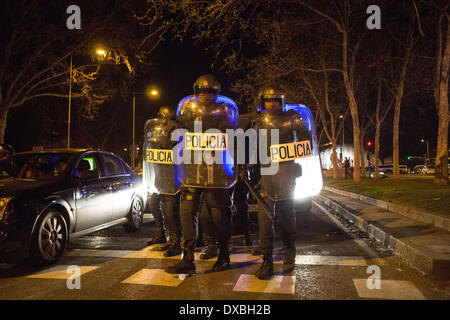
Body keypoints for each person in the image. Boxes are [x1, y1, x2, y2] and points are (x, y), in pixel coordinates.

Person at [165, 75, 238, 274]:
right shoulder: (188, 110)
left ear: (217, 93)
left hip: (216, 172)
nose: (206, 95)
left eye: (210, 91)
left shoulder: (225, 110)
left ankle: (224, 256)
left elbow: (231, 139)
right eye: (203, 91)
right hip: (192, 170)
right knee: (187, 213)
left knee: (218, 216)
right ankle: (187, 258)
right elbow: (180, 135)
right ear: (197, 92)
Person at [251, 87, 311, 280]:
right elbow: (249, 144)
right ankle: (267, 260)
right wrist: (246, 166)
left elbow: (305, 140)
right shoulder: (258, 120)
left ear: (281, 102)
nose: (272, 104)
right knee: (265, 218)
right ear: (263, 103)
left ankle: (290, 248)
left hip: (286, 172)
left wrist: (294, 155)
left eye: (275, 101)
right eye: (268, 101)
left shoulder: (291, 118)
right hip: (265, 173)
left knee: (287, 213)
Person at [144, 107, 182, 256]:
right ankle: (161, 234)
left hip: (172, 176)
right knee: (154, 203)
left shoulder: (177, 129)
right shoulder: (157, 129)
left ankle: (175, 240)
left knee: (170, 209)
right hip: (160, 175)